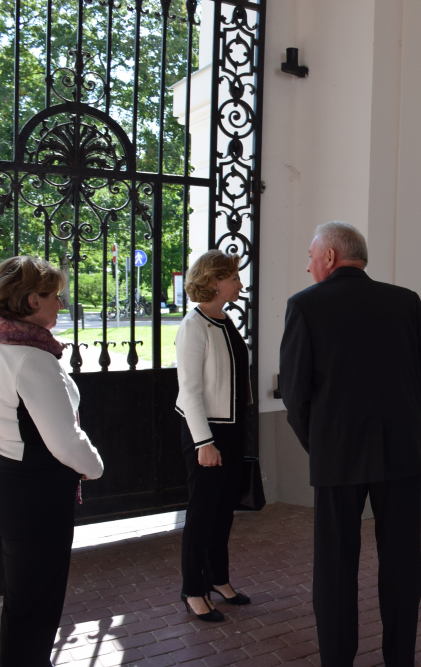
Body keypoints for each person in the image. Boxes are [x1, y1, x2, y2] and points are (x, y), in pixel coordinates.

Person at [279, 221, 421, 667]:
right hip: (401, 454)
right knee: (402, 564)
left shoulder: (305, 305)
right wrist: (404, 425)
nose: (308, 265)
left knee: (335, 568)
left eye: (312, 256)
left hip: (337, 457)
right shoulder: (406, 301)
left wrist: (322, 443)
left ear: (330, 257)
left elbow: (295, 395)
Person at [0, 256, 104, 667]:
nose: (61, 304)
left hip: (5, 479)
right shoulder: (31, 356)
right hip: (33, 493)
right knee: (36, 605)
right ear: (31, 300)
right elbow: (65, 440)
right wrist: (95, 467)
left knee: (25, 601)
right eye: (55, 296)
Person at [174, 249, 253, 622]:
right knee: (202, 513)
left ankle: (218, 578)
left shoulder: (223, 319)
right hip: (206, 432)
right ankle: (193, 588)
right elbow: (189, 391)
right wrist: (203, 443)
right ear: (215, 281)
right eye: (234, 277)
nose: (239, 283)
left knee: (223, 511)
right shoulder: (194, 325)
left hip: (232, 428)